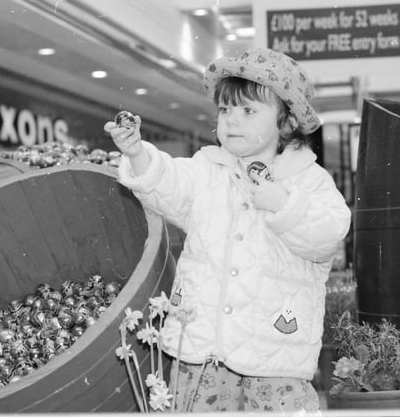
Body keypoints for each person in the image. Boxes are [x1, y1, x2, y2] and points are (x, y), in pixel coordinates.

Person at [104, 47, 351, 413]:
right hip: (203, 353)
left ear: (286, 123)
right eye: (225, 110)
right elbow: (169, 183)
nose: (232, 121)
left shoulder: (308, 179)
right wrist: (138, 153)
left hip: (274, 359)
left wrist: (282, 203)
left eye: (248, 111)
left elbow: (328, 233)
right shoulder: (209, 168)